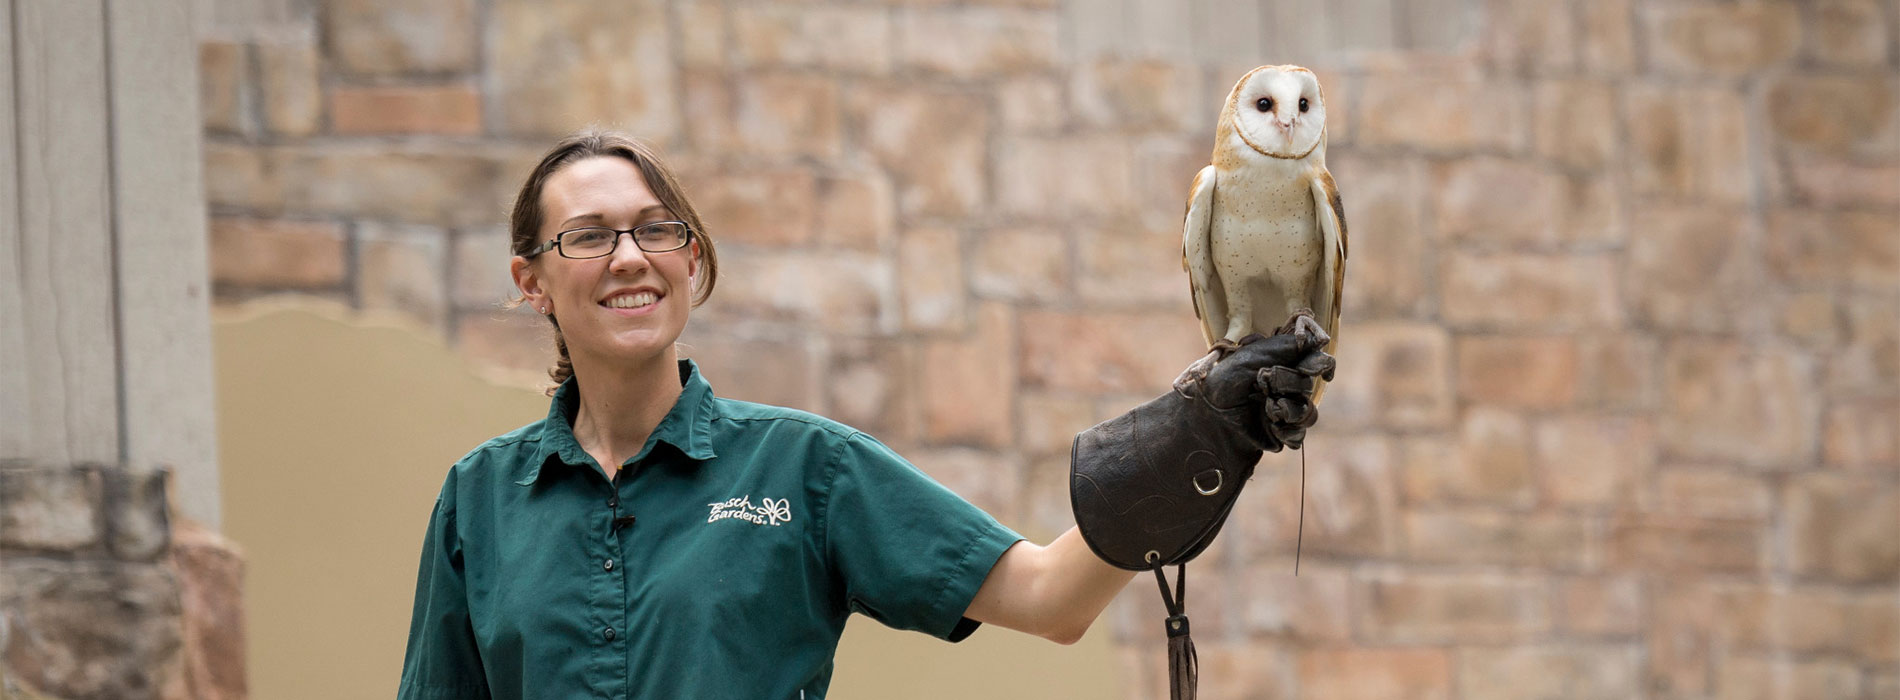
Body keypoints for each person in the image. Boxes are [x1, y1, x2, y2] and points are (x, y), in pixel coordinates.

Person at [398, 131, 1326, 700]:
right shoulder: (478, 501)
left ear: (691, 259)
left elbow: (1050, 598)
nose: (630, 256)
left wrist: (1202, 433)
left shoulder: (806, 470)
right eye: (589, 236)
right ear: (531, 281)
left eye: (657, 229)